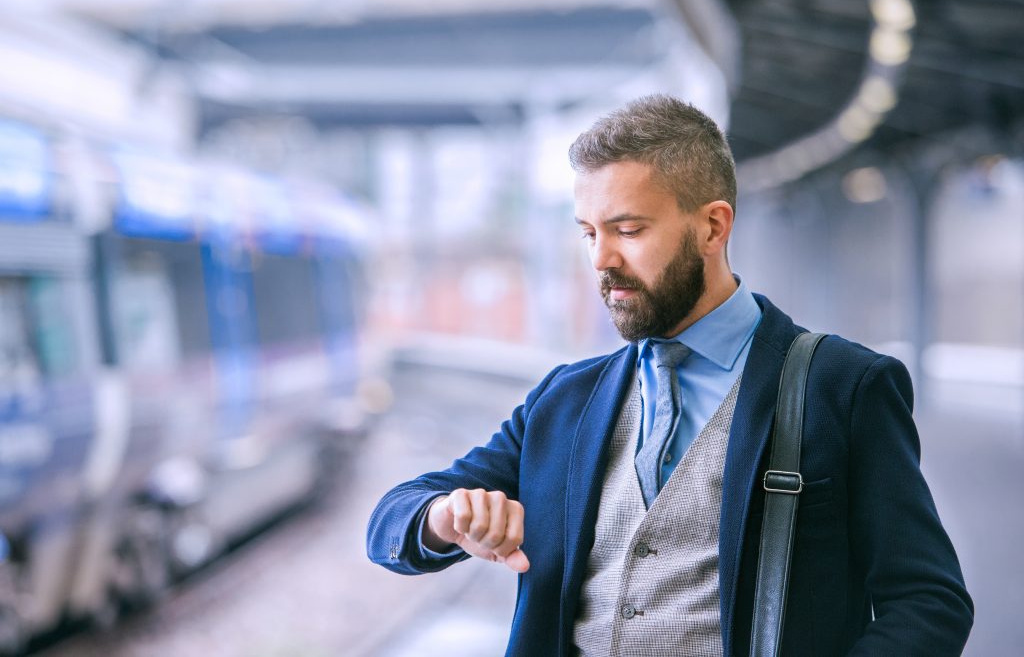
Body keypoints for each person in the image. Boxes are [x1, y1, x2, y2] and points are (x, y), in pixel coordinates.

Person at [366, 95, 973, 656]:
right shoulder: (565, 399)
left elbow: (928, 601)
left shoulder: (844, 387)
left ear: (713, 226)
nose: (602, 259)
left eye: (628, 230)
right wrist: (447, 517)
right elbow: (392, 519)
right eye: (589, 233)